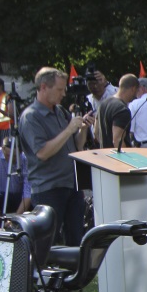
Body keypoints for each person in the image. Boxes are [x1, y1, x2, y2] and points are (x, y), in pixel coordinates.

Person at [18, 67, 95, 245]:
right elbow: (43, 153)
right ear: (44, 87)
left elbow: (76, 145)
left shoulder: (60, 111)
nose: (63, 93)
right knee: (47, 242)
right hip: (49, 189)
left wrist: (82, 128)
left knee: (76, 239)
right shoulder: (31, 117)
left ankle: (76, 271)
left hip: (71, 184)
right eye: (60, 89)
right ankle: (41, 272)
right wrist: (69, 129)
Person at [97, 74, 140, 149]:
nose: (136, 96)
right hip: (116, 158)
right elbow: (117, 140)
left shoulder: (103, 104)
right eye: (136, 91)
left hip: (104, 156)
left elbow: (96, 132)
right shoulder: (122, 110)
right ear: (133, 89)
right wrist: (127, 159)